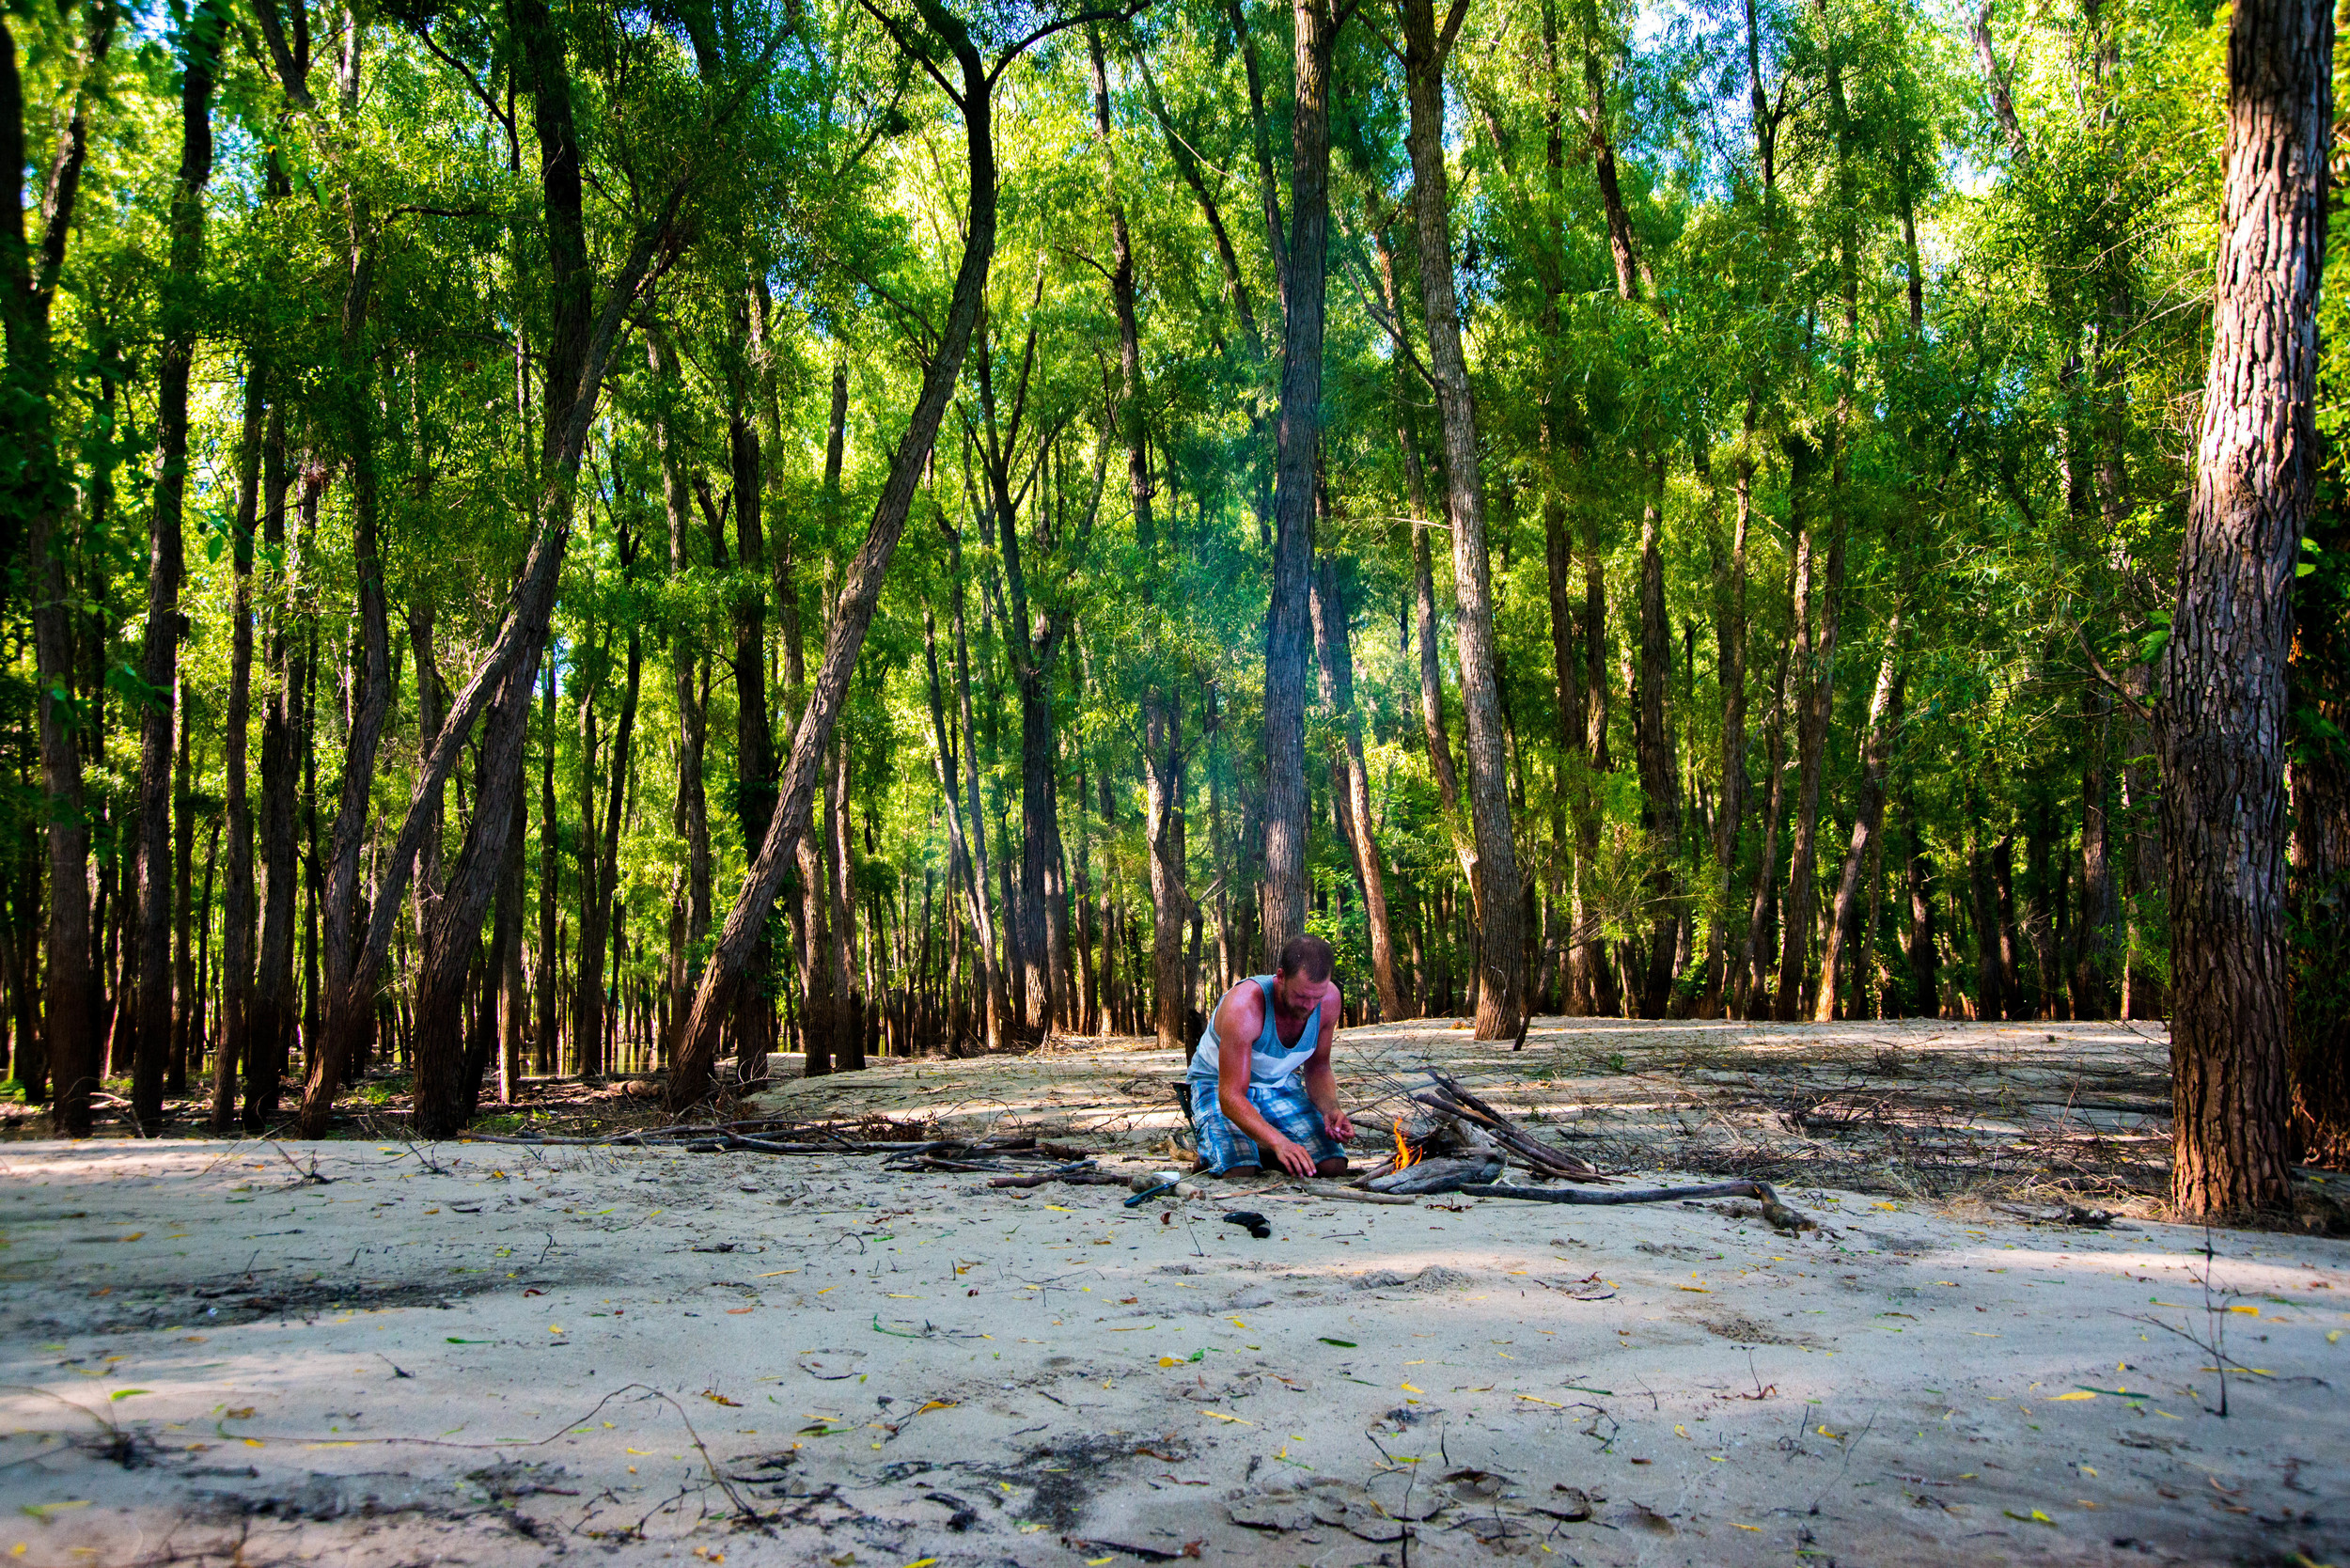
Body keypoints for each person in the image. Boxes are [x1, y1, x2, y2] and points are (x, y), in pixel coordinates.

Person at [1186, 934, 1355, 1178]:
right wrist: (1278, 1142)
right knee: (1240, 1170)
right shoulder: (1244, 1006)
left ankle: (1257, 1147)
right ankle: (1229, 1151)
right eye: (1301, 996)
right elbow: (1231, 1096)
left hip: (1278, 1083)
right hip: (1217, 1083)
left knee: (1332, 1166)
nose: (1309, 1006)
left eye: (1316, 998)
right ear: (1281, 977)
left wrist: (1330, 1109)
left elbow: (1318, 1068)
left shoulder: (1329, 1000)